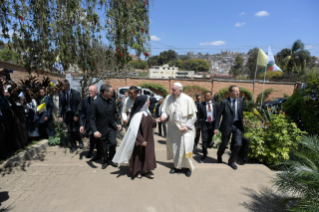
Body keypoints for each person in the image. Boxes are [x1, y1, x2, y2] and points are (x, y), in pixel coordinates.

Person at [157, 82, 197, 177]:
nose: (172, 91)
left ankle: (187, 167)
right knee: (175, 148)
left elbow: (193, 117)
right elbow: (166, 111)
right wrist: (163, 117)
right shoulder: (168, 98)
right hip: (174, 128)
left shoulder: (188, 99)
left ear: (180, 90)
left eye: (174, 90)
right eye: (171, 89)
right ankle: (176, 166)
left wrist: (187, 126)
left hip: (186, 129)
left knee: (186, 148)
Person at [113, 96, 157, 179]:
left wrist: (156, 121)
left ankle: (146, 170)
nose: (149, 102)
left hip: (148, 138)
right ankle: (137, 171)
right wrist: (140, 140)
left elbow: (152, 124)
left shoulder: (147, 113)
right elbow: (134, 131)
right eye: (147, 101)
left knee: (148, 155)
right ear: (143, 102)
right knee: (138, 155)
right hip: (140, 140)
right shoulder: (137, 115)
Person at [89, 84, 121, 169]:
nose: (112, 93)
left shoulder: (112, 100)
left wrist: (118, 122)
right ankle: (105, 160)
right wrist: (95, 131)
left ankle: (112, 159)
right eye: (111, 92)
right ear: (104, 92)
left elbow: (115, 113)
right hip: (101, 128)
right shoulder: (95, 103)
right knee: (103, 146)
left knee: (113, 143)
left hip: (111, 127)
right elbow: (91, 119)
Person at [214, 85, 245, 170]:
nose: (238, 93)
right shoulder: (224, 102)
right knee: (224, 143)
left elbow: (241, 114)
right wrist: (216, 127)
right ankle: (219, 154)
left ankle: (231, 161)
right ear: (230, 92)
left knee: (238, 144)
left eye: (238, 91)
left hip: (237, 125)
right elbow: (218, 115)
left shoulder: (240, 101)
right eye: (236, 91)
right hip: (227, 125)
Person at [58, 80, 83, 153]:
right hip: (67, 115)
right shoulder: (61, 94)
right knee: (70, 131)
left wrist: (77, 114)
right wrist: (60, 115)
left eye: (68, 85)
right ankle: (73, 146)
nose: (66, 87)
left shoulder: (75, 93)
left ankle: (80, 140)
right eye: (65, 86)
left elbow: (80, 104)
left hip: (74, 114)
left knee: (75, 130)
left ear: (69, 85)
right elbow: (60, 106)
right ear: (63, 86)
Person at [76, 85, 100, 158]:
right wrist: (81, 125)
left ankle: (100, 153)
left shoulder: (101, 100)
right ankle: (91, 151)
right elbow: (82, 114)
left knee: (99, 139)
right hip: (90, 123)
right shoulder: (86, 100)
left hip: (99, 123)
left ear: (96, 92)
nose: (89, 92)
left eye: (91, 91)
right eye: (89, 91)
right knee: (92, 138)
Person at [198, 91, 219, 160]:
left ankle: (206, 146)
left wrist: (216, 127)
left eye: (208, 96)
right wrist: (198, 124)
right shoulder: (201, 104)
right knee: (204, 139)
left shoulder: (215, 104)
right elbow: (198, 116)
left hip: (212, 124)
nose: (206, 97)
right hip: (204, 124)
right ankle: (204, 152)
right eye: (205, 96)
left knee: (209, 139)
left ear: (211, 96)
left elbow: (217, 116)